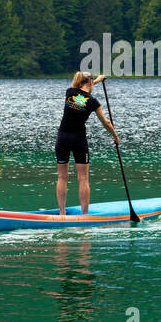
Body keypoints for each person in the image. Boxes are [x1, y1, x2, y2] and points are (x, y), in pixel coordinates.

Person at [55, 70, 119, 215]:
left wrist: (96, 80)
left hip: (62, 138)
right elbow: (107, 124)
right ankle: (84, 215)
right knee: (83, 178)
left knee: (62, 177)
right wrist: (116, 137)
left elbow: (82, 89)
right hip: (78, 140)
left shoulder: (70, 92)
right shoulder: (93, 102)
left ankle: (62, 213)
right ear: (90, 83)